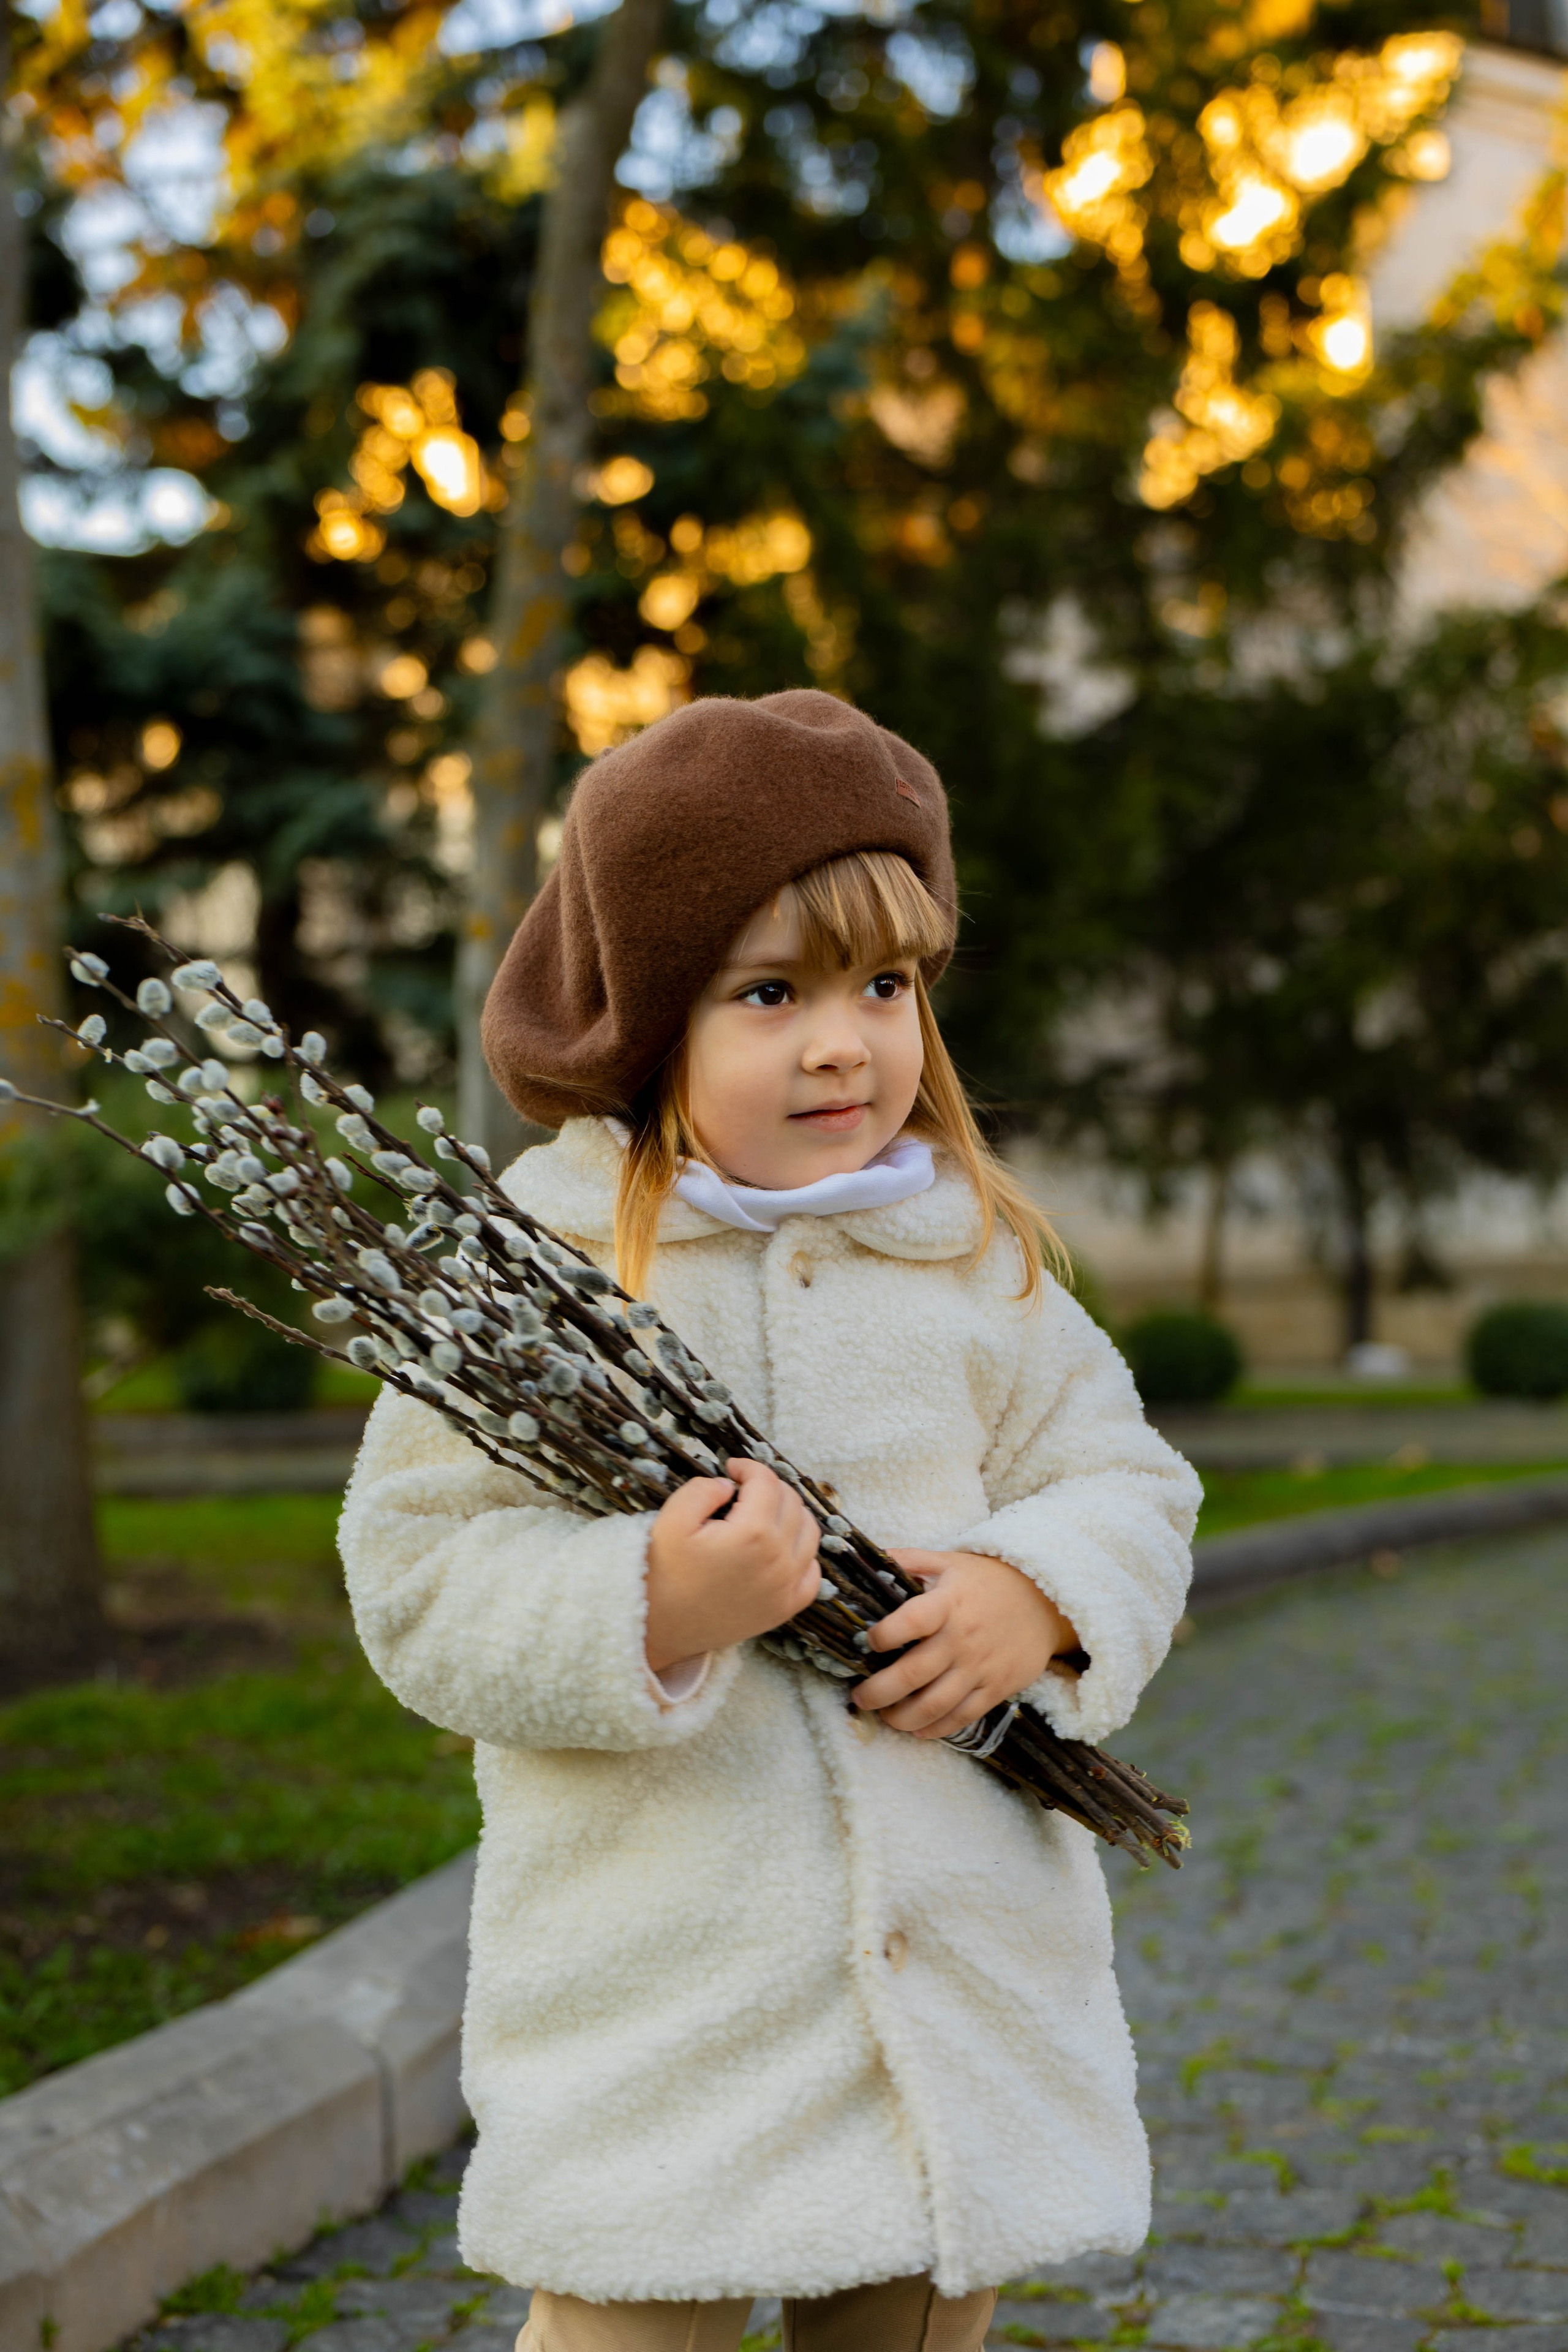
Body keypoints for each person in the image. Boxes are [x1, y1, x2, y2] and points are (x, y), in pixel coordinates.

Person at [339, 690, 1200, 2352]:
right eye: (770, 993)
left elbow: (1126, 1479)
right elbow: (421, 1570)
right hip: (669, 2003)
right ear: (648, 1016)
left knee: (913, 2311)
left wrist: (1038, 1596)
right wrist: (650, 1600)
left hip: (952, 1995)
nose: (843, 1043)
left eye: (885, 986)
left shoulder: (968, 1256)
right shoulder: (546, 1276)